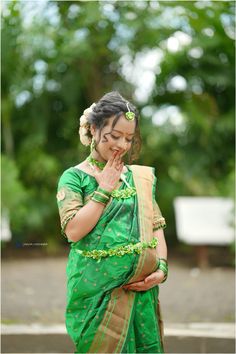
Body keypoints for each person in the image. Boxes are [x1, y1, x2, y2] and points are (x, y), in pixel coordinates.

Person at [56, 91, 168, 353]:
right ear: (94, 129)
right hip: (96, 297)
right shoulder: (74, 178)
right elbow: (73, 231)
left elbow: (156, 226)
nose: (122, 145)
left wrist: (160, 270)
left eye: (129, 138)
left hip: (141, 295)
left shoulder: (138, 178)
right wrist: (103, 190)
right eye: (115, 136)